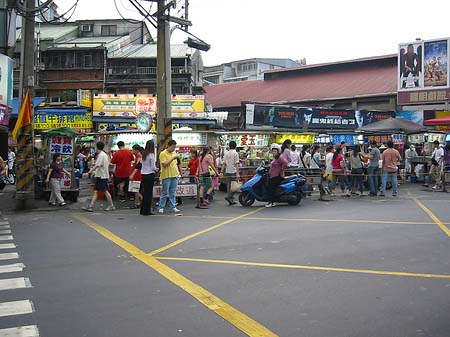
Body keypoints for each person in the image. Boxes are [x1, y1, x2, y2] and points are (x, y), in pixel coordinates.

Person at [83, 141, 116, 212]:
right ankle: (91, 206)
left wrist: (88, 172)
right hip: (101, 176)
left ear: (97, 147)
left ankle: (111, 205)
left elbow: (97, 165)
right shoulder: (104, 155)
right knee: (96, 191)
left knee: (105, 191)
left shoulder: (101, 155)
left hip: (101, 176)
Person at [158, 140, 181, 214]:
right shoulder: (163, 154)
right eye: (173, 147)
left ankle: (173, 206)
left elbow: (177, 164)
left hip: (174, 175)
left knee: (173, 192)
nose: (174, 149)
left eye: (175, 147)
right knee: (164, 192)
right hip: (166, 175)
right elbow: (164, 164)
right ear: (168, 146)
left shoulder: (174, 153)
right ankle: (161, 207)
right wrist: (172, 158)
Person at [139, 140, 157, 216]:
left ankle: (143, 210)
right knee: (149, 193)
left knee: (145, 192)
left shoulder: (144, 154)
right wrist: (157, 169)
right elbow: (153, 167)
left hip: (143, 174)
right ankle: (147, 210)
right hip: (150, 175)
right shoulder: (151, 155)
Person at [221, 140, 240, 206]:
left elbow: (223, 163)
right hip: (233, 171)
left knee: (229, 186)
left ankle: (231, 200)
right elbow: (236, 164)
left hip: (227, 171)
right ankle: (229, 196)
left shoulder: (226, 153)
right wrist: (237, 173)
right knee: (234, 187)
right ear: (235, 146)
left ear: (229, 146)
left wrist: (221, 172)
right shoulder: (235, 153)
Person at [129, 144, 143, 209]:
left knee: (135, 190)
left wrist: (132, 174)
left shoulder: (139, 156)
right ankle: (139, 201)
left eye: (133, 150)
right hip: (135, 175)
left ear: (136, 150)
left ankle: (138, 202)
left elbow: (137, 167)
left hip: (137, 175)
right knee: (135, 190)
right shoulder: (137, 156)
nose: (132, 151)